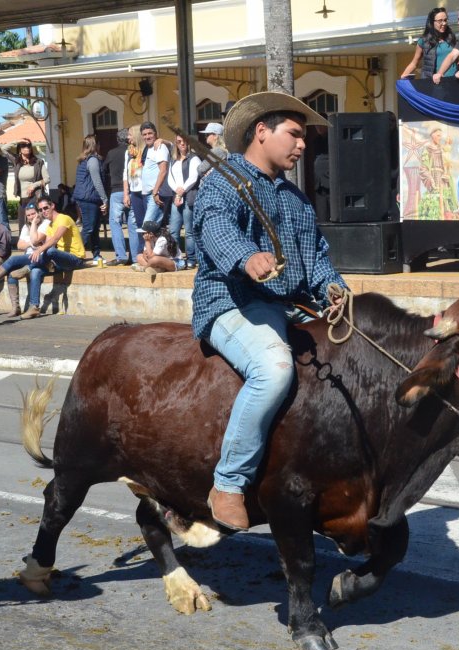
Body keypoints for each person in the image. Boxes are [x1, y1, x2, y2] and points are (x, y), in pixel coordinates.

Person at [191, 91, 348, 531]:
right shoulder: (223, 181)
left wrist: (333, 288)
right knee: (274, 370)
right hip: (231, 302)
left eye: (303, 136)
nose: (302, 144)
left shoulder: (296, 199)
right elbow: (214, 225)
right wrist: (246, 257)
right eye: (294, 134)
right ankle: (228, 484)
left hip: (291, 307)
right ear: (261, 131)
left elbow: (317, 258)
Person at [0, 197, 84, 320]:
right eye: (41, 209)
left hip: (75, 259)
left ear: (52, 205)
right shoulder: (49, 225)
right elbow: (21, 245)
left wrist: (39, 250)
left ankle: (27, 268)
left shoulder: (63, 218)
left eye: (45, 208)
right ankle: (34, 307)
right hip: (57, 262)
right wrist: (39, 248)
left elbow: (54, 240)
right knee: (35, 271)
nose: (44, 211)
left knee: (49, 251)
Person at [166, 134, 201, 268]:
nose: (182, 144)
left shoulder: (194, 158)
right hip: (177, 197)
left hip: (188, 196)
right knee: (173, 230)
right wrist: (177, 191)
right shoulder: (173, 160)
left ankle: (191, 259)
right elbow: (170, 178)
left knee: (189, 231)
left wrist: (182, 191)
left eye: (184, 141)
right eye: (179, 141)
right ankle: (176, 257)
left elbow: (193, 177)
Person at [72, 134, 109, 262]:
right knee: (89, 228)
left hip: (87, 197)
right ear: (96, 145)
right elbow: (97, 181)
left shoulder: (84, 160)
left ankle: (96, 254)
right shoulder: (93, 160)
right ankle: (73, 254)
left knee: (94, 228)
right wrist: (105, 199)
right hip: (89, 198)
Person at [401, 8, 459, 80]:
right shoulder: (424, 41)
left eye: (445, 20)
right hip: (435, 82)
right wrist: (402, 77)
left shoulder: (451, 38)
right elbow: (414, 63)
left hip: (453, 81)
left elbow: (457, 58)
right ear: (432, 22)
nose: (444, 23)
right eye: (440, 21)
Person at [104, 128, 131, 265]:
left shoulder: (112, 153)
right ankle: (135, 255)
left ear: (118, 139)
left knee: (115, 224)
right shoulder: (133, 152)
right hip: (131, 190)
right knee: (132, 224)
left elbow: (104, 169)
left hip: (116, 191)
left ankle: (121, 255)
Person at [137, 122, 171, 226]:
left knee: (148, 227)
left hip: (156, 194)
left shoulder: (160, 147)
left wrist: (155, 192)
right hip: (148, 194)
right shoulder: (147, 148)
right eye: (144, 134)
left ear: (155, 133)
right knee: (154, 229)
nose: (147, 136)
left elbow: (163, 171)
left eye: (150, 133)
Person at [123, 124, 145, 262]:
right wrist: (126, 193)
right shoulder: (129, 152)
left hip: (146, 190)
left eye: (130, 134)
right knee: (139, 224)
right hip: (134, 191)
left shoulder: (146, 150)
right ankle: (140, 254)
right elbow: (125, 174)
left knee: (148, 223)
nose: (128, 137)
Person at [13, 139, 50, 212]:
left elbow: (47, 179)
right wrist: (18, 141)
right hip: (22, 198)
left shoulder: (38, 162)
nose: (27, 147)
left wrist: (34, 185)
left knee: (34, 217)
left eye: (29, 145)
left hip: (35, 197)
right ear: (20, 149)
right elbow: (4, 149)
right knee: (22, 219)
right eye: (23, 146)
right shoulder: (17, 162)